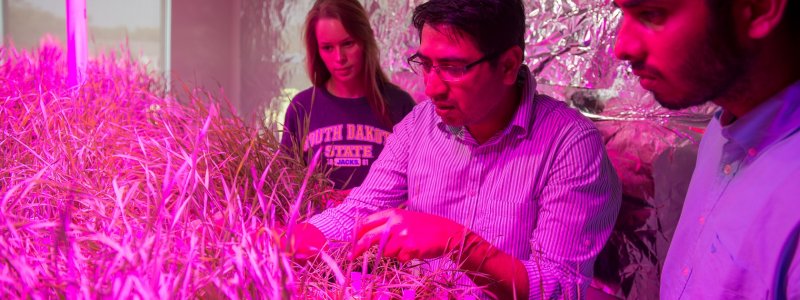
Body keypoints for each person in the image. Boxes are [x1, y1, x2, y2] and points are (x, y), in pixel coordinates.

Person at [289, 0, 622, 298]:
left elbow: (558, 287)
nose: (431, 88)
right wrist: (291, 240)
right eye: (426, 63)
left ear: (508, 66)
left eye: (452, 68)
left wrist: (458, 242)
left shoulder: (569, 144)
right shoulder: (419, 124)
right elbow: (360, 210)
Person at [613, 0, 800, 298]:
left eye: (651, 14)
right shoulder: (722, 131)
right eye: (621, 13)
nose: (621, 47)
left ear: (758, 8)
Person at [281, 0, 416, 191]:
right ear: (317, 50)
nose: (339, 58)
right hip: (318, 221)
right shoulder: (302, 108)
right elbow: (285, 185)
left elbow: (417, 185)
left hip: (381, 220)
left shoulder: (400, 105)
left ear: (366, 39)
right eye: (328, 47)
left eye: (348, 43)